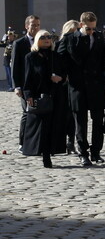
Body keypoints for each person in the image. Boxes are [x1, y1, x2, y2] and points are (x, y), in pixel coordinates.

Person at [57, 12, 105, 166]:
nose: (91, 32)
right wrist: (65, 75)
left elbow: (104, 58)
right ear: (81, 25)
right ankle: (83, 153)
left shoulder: (99, 37)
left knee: (98, 121)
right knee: (80, 122)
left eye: (94, 28)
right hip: (78, 86)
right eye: (88, 29)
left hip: (96, 85)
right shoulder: (70, 39)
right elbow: (60, 59)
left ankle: (96, 152)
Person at [22, 30, 65, 168]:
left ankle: (50, 154)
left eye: (49, 37)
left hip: (55, 96)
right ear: (37, 40)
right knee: (42, 128)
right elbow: (27, 78)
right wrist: (28, 95)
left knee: (53, 127)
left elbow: (64, 74)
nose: (47, 39)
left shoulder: (56, 56)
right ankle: (43, 155)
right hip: (39, 97)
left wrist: (60, 78)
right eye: (43, 37)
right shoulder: (31, 57)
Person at [12, 15, 41, 152]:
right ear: (26, 26)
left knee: (38, 112)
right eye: (33, 25)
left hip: (39, 84)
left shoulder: (42, 41)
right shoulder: (19, 43)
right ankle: (22, 142)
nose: (35, 27)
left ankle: (36, 141)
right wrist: (17, 86)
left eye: (37, 25)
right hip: (24, 85)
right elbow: (15, 67)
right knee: (26, 112)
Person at [56, 20, 80, 155]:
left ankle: (71, 141)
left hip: (76, 84)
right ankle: (60, 141)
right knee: (63, 114)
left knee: (73, 115)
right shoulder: (59, 44)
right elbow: (58, 63)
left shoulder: (81, 44)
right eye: (72, 32)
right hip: (63, 85)